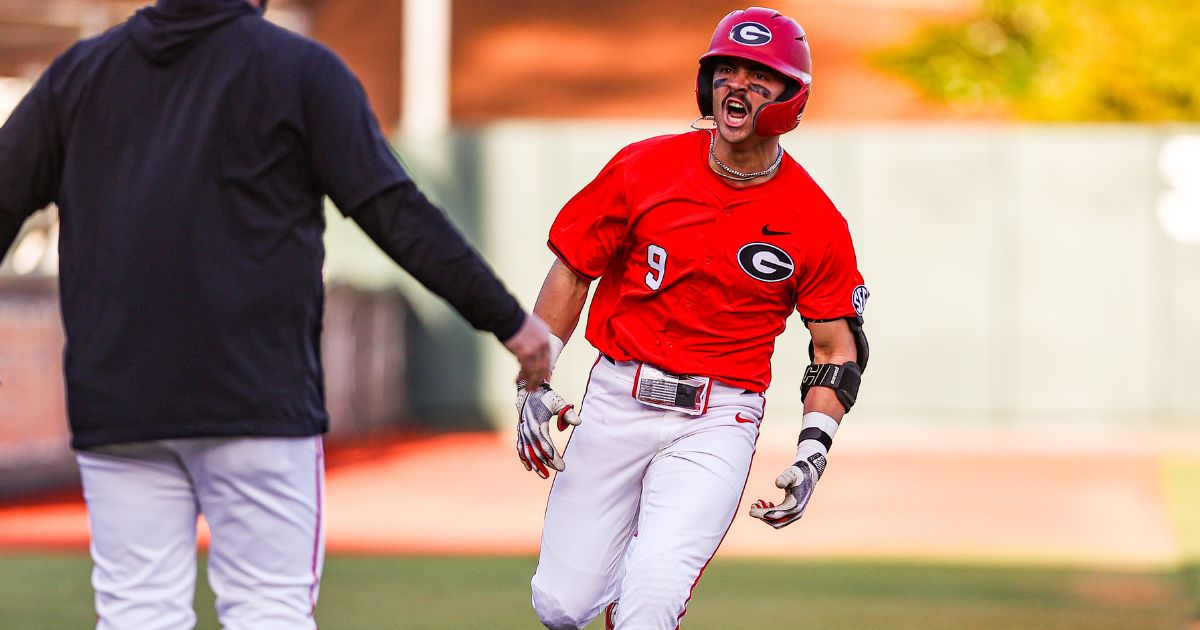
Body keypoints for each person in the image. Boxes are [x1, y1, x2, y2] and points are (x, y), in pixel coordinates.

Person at [0, 0, 550, 628]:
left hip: (120, 402)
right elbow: (394, 211)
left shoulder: (80, 73)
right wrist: (510, 322)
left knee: (137, 614)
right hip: (256, 398)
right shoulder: (298, 68)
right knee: (268, 612)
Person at [513, 7, 870, 629]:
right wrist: (534, 382)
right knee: (561, 605)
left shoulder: (816, 218)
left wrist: (815, 448)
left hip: (717, 418)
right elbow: (573, 270)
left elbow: (835, 347)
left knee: (652, 596)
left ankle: (646, 599)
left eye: (760, 76)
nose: (738, 85)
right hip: (617, 397)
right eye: (727, 69)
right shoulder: (642, 166)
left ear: (793, 98)